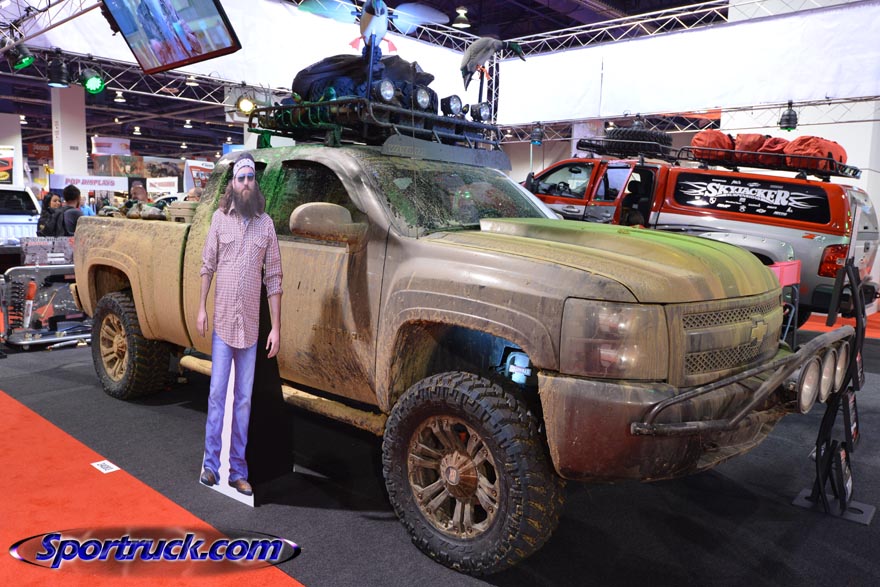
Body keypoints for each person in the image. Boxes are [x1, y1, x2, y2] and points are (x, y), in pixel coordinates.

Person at [197, 152, 282, 497]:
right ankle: (210, 465)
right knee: (217, 394)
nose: (246, 183)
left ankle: (238, 471)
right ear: (232, 184)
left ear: (254, 183)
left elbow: (274, 277)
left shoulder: (266, 225)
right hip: (222, 323)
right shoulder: (219, 220)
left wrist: (277, 328)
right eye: (240, 178)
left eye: (250, 178)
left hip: (250, 327)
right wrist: (201, 309)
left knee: (244, 399)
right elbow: (207, 265)